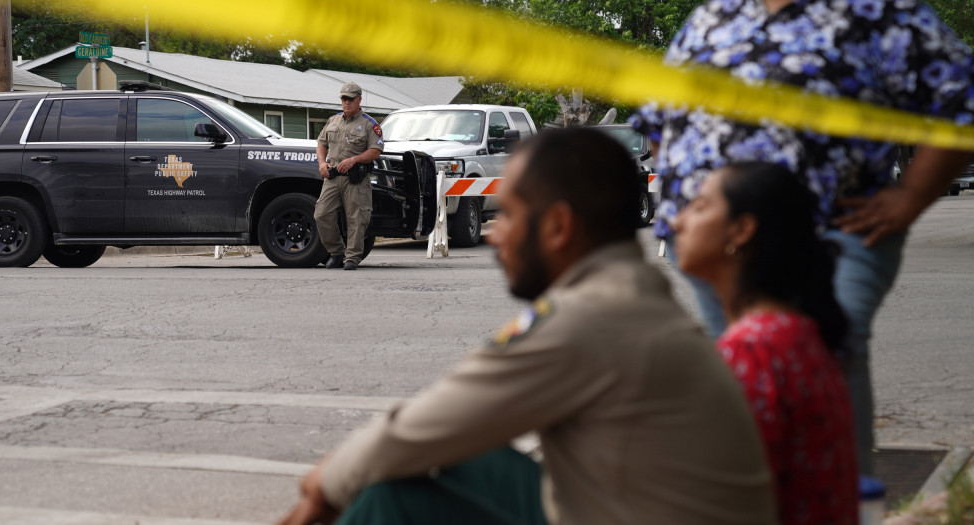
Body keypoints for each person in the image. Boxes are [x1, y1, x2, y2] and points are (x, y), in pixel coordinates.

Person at [279, 128, 777, 525]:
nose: (496, 238)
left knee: (389, 491)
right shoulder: (629, 292)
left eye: (511, 216)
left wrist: (323, 484)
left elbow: (422, 429)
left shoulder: (592, 319)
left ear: (559, 226)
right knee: (440, 458)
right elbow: (441, 425)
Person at [632, 0, 974, 473]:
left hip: (832, 233)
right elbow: (658, 119)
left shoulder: (879, 11)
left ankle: (842, 499)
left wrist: (911, 196)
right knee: (741, 372)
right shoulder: (716, 13)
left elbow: (960, 98)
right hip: (715, 241)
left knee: (822, 357)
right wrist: (689, 197)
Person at [672, 162, 858, 525]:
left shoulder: (751, 351)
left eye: (699, 207)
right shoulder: (797, 332)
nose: (678, 222)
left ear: (741, 230)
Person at [315, 82, 385, 271]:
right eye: (343, 99)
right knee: (321, 214)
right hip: (332, 176)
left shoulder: (369, 124)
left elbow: (375, 150)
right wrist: (322, 163)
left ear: (359, 100)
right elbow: (321, 144)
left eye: (350, 99)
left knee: (356, 217)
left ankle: (352, 257)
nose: (346, 103)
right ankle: (337, 252)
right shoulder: (333, 120)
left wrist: (354, 160)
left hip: (356, 178)